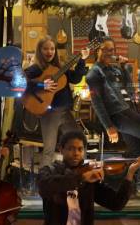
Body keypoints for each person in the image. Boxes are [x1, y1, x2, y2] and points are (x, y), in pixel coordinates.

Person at [86, 37, 140, 198]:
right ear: (97, 51)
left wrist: (123, 68)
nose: (109, 53)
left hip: (128, 110)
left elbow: (128, 87)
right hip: (119, 114)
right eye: (105, 49)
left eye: (111, 50)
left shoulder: (113, 69)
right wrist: (108, 126)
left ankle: (135, 185)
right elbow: (97, 103)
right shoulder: (94, 73)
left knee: (137, 149)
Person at [23, 38, 91, 169]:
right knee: (49, 150)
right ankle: (44, 179)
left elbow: (76, 79)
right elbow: (19, 82)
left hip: (65, 112)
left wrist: (82, 60)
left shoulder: (61, 68)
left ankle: (78, 174)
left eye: (52, 49)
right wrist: (42, 85)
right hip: (49, 113)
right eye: (45, 49)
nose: (49, 52)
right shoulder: (36, 68)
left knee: (79, 142)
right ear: (39, 51)